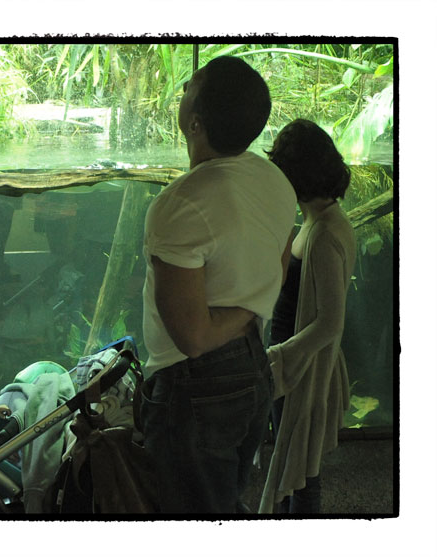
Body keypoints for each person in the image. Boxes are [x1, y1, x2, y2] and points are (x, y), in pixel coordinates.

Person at [139, 56, 298, 513]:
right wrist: (255, 304)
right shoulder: (274, 180)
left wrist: (247, 309)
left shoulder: (180, 204)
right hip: (253, 371)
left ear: (195, 123)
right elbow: (280, 262)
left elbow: (194, 339)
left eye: (195, 82)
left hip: (196, 388)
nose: (186, 82)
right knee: (224, 498)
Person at [259, 119, 356, 514]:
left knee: (300, 469)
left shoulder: (325, 234)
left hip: (298, 371)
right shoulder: (318, 220)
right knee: (294, 465)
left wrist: (279, 357)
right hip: (293, 368)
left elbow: (331, 321)